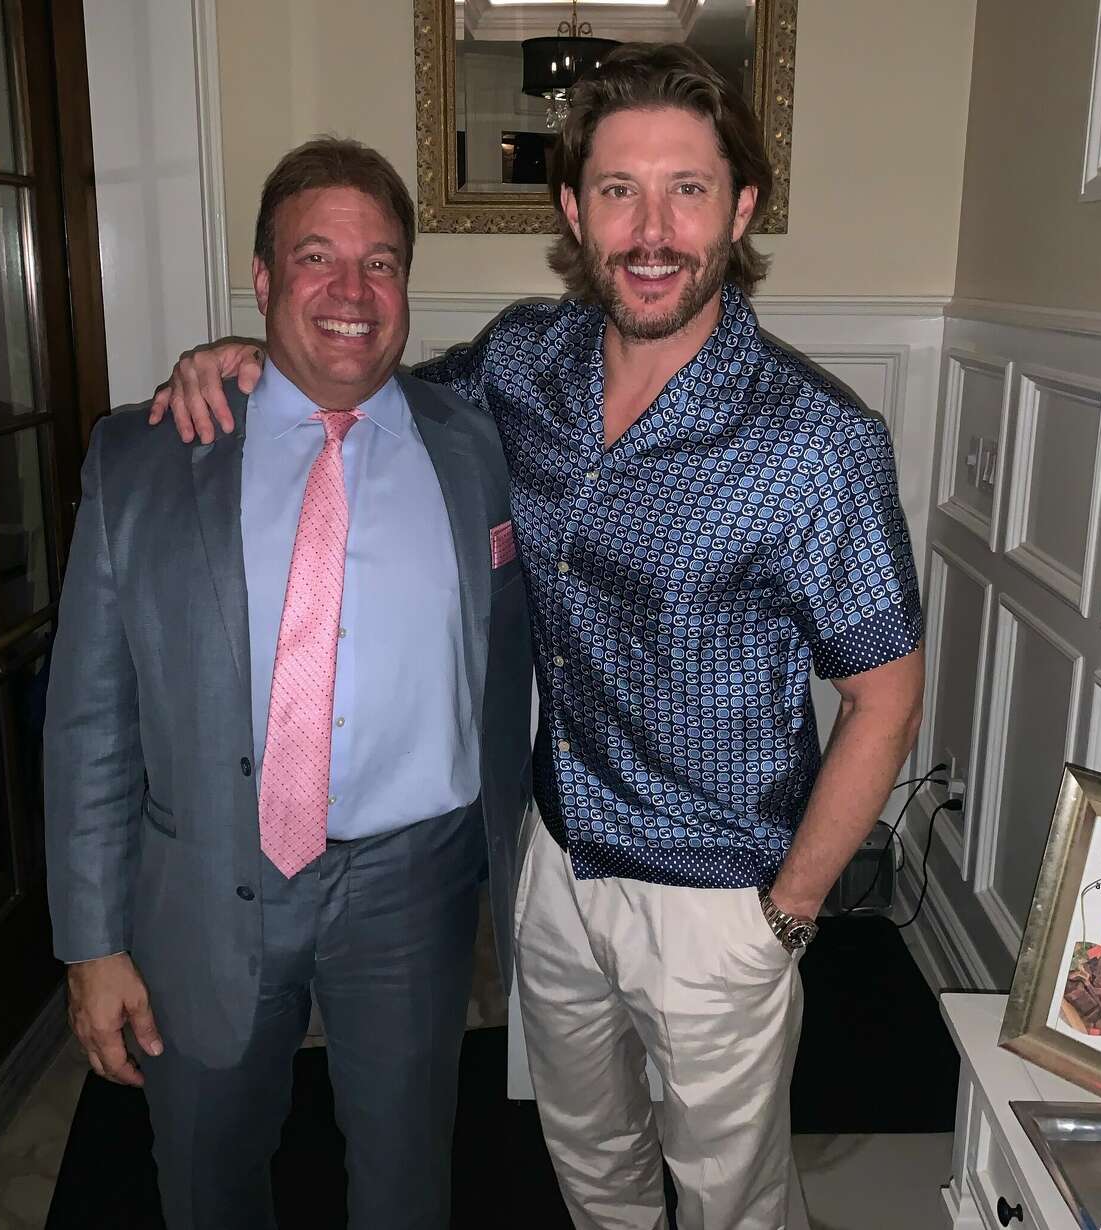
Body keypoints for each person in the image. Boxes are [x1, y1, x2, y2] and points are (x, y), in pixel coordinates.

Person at [152, 43, 925, 1230]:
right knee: (592, 1165)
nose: (652, 229)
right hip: (553, 870)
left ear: (743, 207)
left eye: (688, 189)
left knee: (734, 1202)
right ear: (574, 209)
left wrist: (787, 915)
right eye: (618, 190)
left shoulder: (818, 443)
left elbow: (885, 696)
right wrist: (262, 359)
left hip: (719, 898)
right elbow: (372, 400)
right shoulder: (524, 362)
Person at [44, 138, 532, 1230]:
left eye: (382, 263)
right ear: (262, 280)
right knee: (209, 1176)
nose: (352, 293)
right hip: (208, 872)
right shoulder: (145, 458)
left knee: (409, 1179)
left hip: (417, 885)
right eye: (317, 259)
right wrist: (90, 940)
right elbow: (88, 721)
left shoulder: (477, 445)